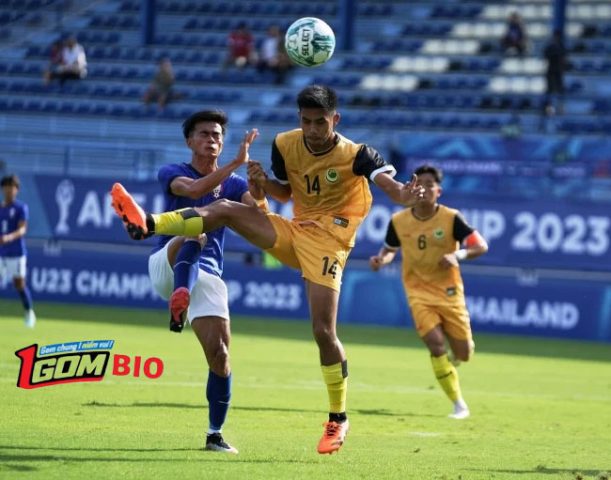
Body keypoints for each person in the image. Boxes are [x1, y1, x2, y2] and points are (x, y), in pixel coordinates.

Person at [110, 84, 425, 455]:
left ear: (335, 119)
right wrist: (264, 185)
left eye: (320, 122)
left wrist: (406, 194)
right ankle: (149, 223)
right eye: (306, 121)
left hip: (330, 245)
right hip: (294, 232)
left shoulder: (357, 154)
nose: (312, 129)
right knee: (226, 207)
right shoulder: (285, 144)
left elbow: (391, 186)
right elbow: (286, 194)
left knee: (324, 331)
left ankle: (338, 418)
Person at [135, 110, 264, 453]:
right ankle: (179, 295)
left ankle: (214, 434)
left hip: (208, 277)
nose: (212, 139)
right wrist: (236, 162)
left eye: (217, 135)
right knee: (197, 232)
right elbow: (192, 190)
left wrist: (260, 188)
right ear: (189, 141)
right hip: (168, 262)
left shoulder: (235, 186)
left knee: (220, 356)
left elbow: (258, 213)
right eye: (205, 133)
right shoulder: (173, 171)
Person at [369, 165, 488, 419]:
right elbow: (389, 249)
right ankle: (458, 404)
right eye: (418, 183)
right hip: (417, 292)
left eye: (429, 183)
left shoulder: (451, 218)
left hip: (449, 293)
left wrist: (458, 254)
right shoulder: (399, 221)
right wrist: (381, 260)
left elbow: (480, 245)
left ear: (439, 190)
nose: (423, 187)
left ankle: (455, 358)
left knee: (464, 353)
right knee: (435, 345)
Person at [0, 174, 36, 328]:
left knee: (19, 284)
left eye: (12, 187)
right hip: (1, 252)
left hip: (16, 252)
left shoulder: (21, 208)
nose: (9, 190)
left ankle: (29, 312)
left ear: (17, 190)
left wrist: (8, 238)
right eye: (6, 187)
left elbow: (22, 229)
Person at [543, 30, 567, 114]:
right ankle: (549, 108)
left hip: (558, 72)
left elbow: (564, 59)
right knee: (550, 90)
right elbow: (545, 57)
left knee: (559, 90)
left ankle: (560, 107)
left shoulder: (561, 47)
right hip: (551, 71)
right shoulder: (551, 47)